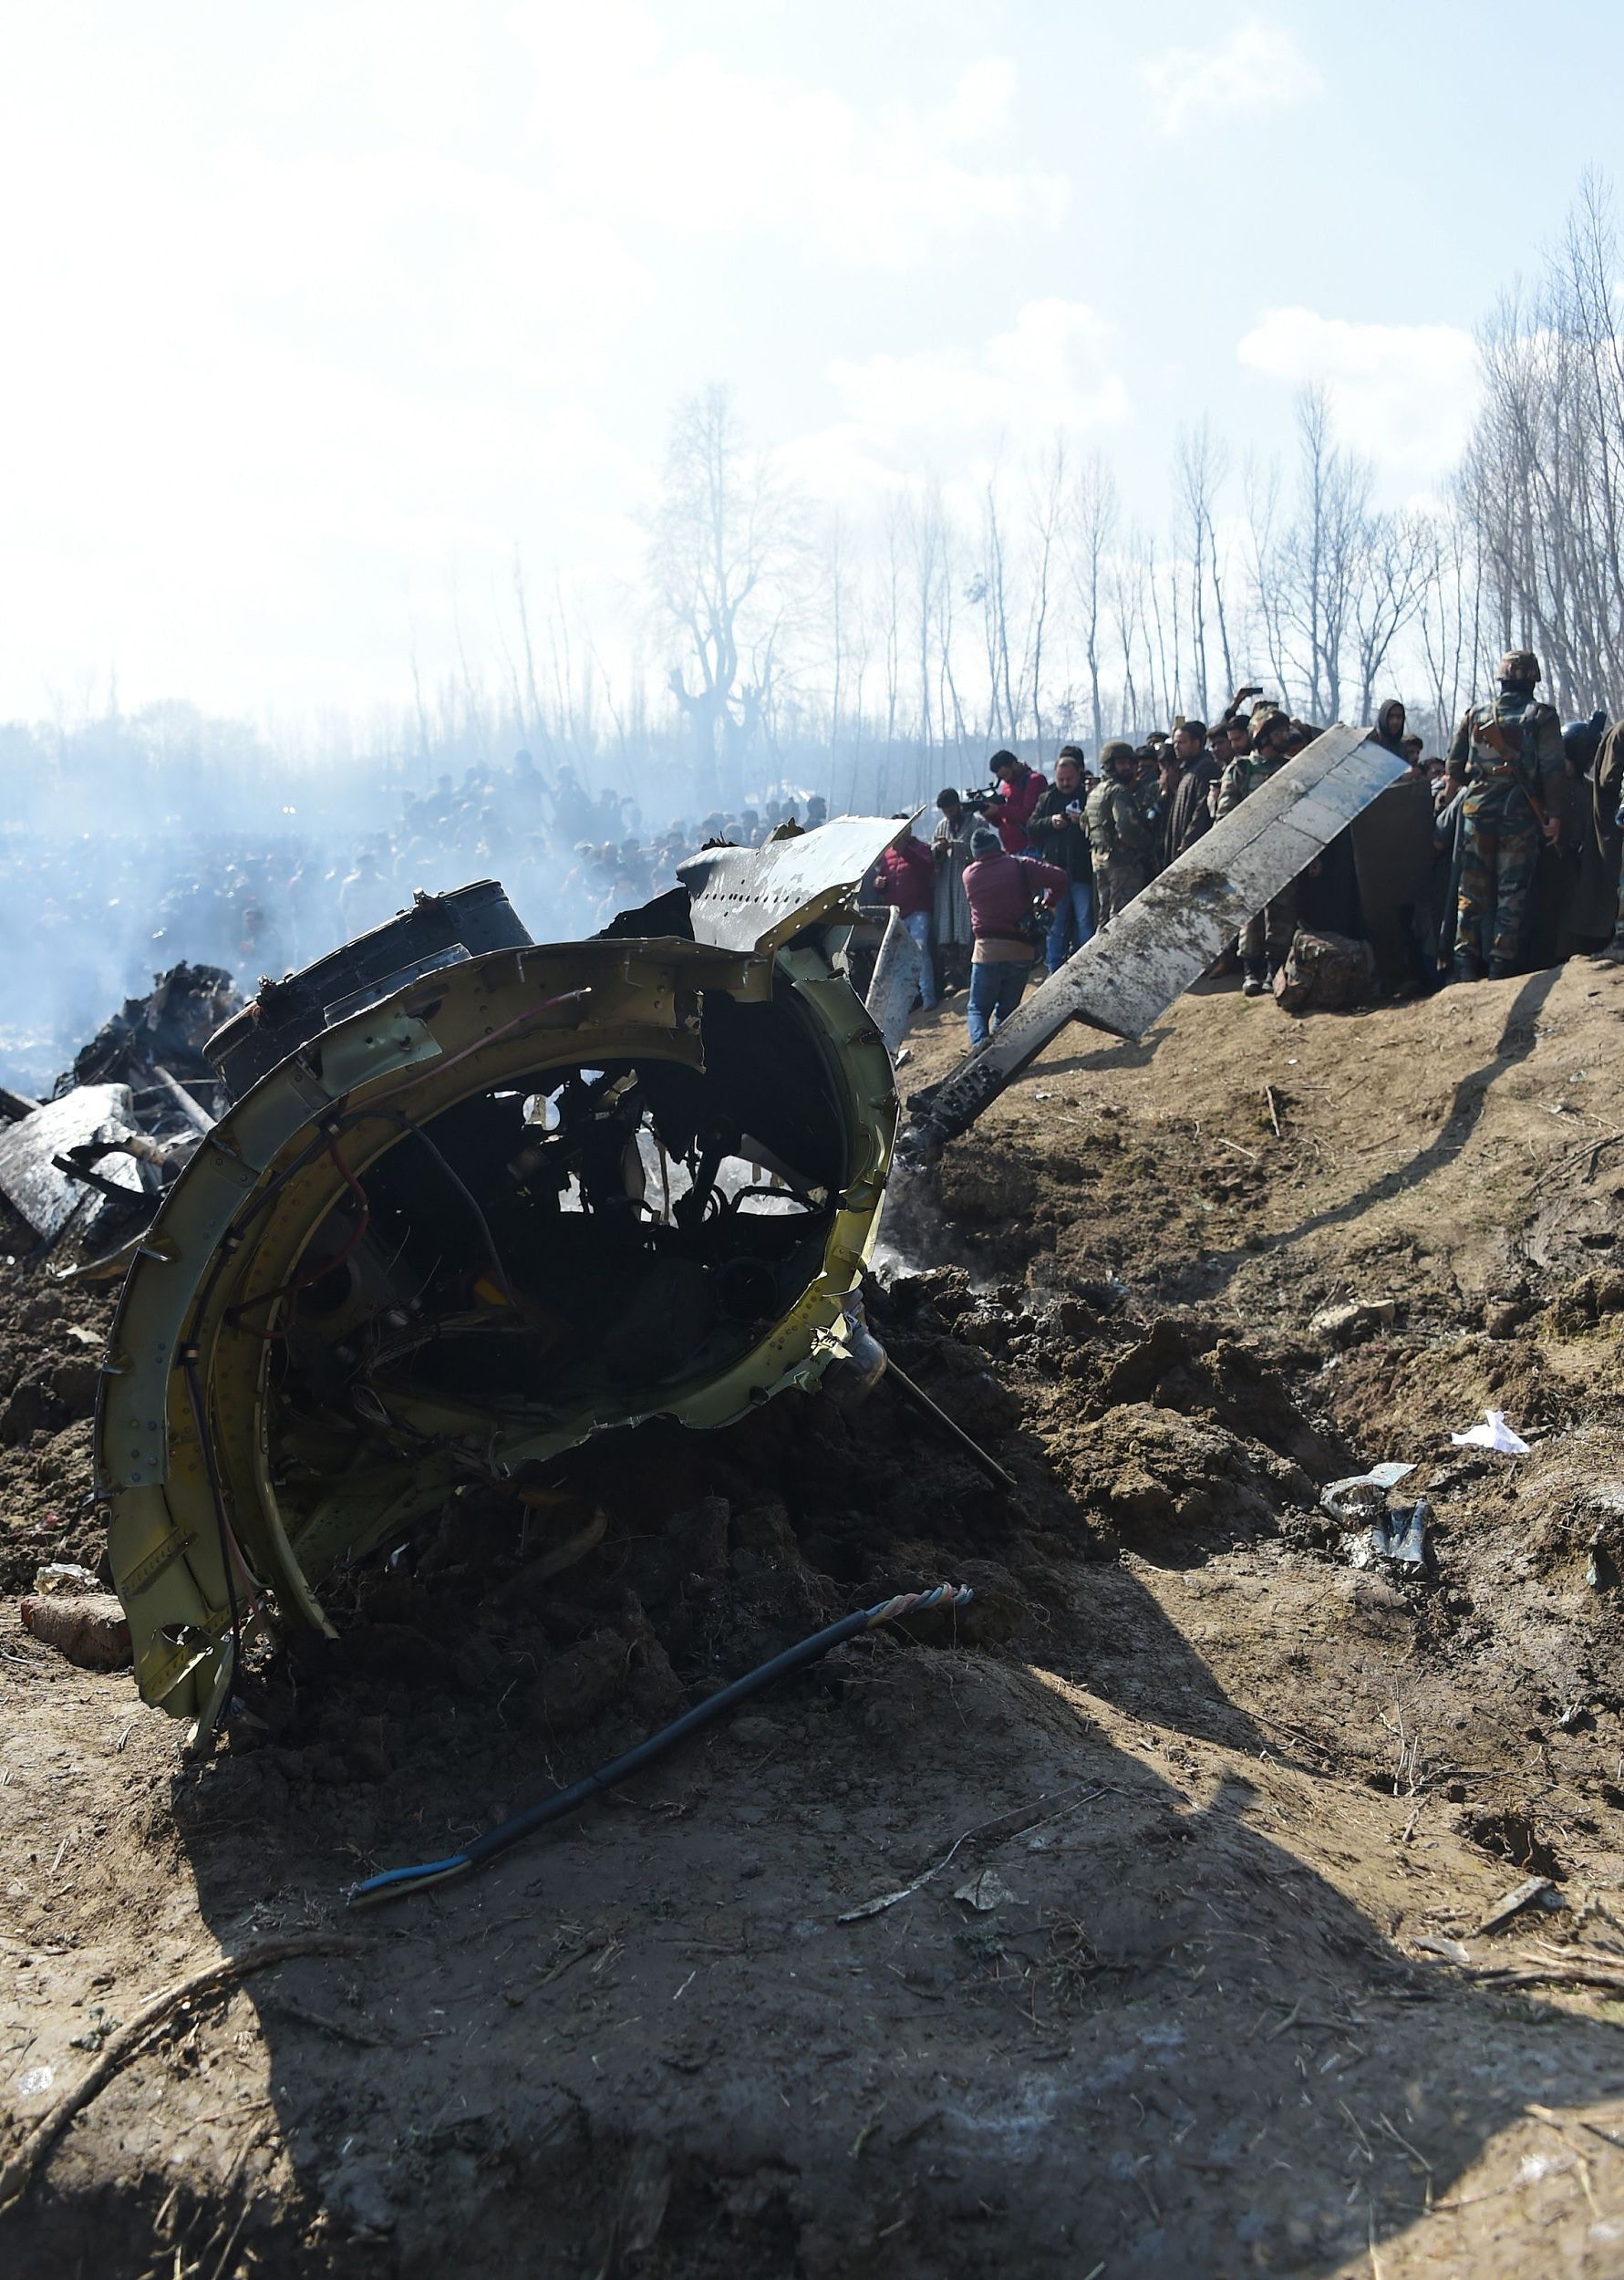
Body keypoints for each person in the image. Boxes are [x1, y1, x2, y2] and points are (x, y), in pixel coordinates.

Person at [1447, 648, 1564, 980]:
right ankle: (1501, 965)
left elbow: (1454, 769)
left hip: (1477, 814)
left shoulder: (1475, 715)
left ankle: (1464, 965)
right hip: (1519, 815)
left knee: (1470, 893)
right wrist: (1553, 816)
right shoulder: (1542, 716)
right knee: (1511, 894)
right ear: (1532, 679)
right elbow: (1553, 770)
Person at [1215, 707, 1298, 993]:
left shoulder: (1292, 768)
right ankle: (1252, 970)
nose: (1284, 737)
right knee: (1249, 914)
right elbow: (1225, 814)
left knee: (1282, 913)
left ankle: (1275, 969)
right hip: (1249, 855)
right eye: (1278, 732)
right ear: (1262, 736)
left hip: (1282, 853)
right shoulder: (1241, 769)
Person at [961, 824, 1067, 1047]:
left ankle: (980, 1050)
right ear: (997, 846)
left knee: (978, 1008)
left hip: (986, 953)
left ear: (975, 853)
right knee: (1007, 1011)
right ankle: (1000, 1054)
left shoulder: (968, 875)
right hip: (1021, 950)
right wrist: (1050, 902)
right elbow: (1060, 878)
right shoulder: (1019, 865)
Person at [1028, 751, 1094, 969]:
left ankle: (1086, 964)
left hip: (1082, 869)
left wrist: (1082, 820)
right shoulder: (1048, 798)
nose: (1065, 783)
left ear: (1078, 775)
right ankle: (1053, 968)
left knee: (1084, 920)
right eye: (1061, 779)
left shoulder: (1088, 796)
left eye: (1069, 779)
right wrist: (1050, 822)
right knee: (1054, 924)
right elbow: (1032, 826)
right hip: (1055, 872)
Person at [1085, 741, 1155, 925]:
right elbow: (1126, 827)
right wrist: (1147, 842)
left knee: (1105, 917)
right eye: (1122, 763)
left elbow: (1085, 823)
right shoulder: (1118, 791)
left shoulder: (1095, 792)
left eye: (1130, 764)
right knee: (1123, 919)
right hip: (1122, 863)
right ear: (1110, 765)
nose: (1129, 768)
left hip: (1100, 861)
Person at [873, 827, 938, 1010]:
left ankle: (928, 997)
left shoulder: (922, 848)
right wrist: (879, 884)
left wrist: (905, 851)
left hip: (919, 910)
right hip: (897, 915)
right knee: (900, 959)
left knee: (920, 950)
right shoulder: (887, 855)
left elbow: (926, 869)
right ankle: (910, 1002)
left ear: (909, 829)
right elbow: (884, 882)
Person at [1158, 720, 1217, 871]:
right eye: (1175, 743)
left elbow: (1202, 808)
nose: (1176, 747)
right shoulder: (1189, 771)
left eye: (1181, 742)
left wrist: (1189, 841)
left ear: (1196, 743)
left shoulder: (1206, 769)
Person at [979, 750, 1048, 855]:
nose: (1005, 780)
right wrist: (989, 813)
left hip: (1031, 847)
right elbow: (1003, 822)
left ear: (1014, 765)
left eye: (1006, 775)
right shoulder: (1007, 786)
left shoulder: (1034, 780)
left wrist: (999, 809)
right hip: (1012, 849)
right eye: (1001, 778)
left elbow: (1028, 814)